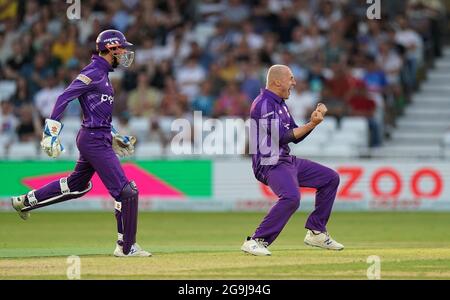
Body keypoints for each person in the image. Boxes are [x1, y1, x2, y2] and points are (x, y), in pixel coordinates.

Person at [10, 30, 151, 257]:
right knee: (127, 192)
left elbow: (100, 113)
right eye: (122, 48)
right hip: (93, 140)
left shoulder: (104, 75)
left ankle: (25, 202)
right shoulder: (93, 72)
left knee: (77, 186)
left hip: (98, 137)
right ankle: (126, 248)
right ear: (111, 49)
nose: (125, 52)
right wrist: (50, 133)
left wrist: (114, 135)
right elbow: (64, 97)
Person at [242, 64, 344, 256]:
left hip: (284, 159)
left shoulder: (279, 103)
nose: (294, 83)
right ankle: (256, 240)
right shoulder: (264, 103)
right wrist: (311, 123)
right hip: (269, 162)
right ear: (277, 81)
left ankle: (317, 231)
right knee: (291, 197)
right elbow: (282, 136)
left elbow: (294, 135)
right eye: (291, 78)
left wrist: (311, 123)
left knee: (330, 178)